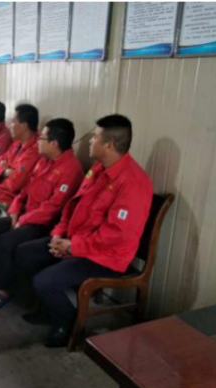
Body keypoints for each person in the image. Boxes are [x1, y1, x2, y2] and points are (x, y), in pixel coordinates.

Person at [16, 114, 153, 348]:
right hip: (79, 241)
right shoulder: (99, 168)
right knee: (24, 253)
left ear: (109, 145)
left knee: (44, 282)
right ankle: (51, 309)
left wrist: (73, 247)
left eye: (95, 138)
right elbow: (73, 206)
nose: (89, 141)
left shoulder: (133, 182)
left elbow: (117, 234)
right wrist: (59, 234)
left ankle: (69, 325)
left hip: (106, 256)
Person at [0, 119, 85, 310]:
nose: (37, 140)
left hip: (45, 224)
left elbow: (53, 208)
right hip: (27, 215)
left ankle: (3, 288)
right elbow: (24, 191)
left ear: (54, 143)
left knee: (6, 241)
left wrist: (22, 220)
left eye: (42, 138)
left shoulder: (71, 169)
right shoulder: (43, 161)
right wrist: (15, 211)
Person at [0, 104, 41, 207]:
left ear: (24, 126)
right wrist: (6, 171)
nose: (10, 126)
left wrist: (1, 172)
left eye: (13, 122)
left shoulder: (35, 150)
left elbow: (15, 184)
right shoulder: (17, 143)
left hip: (12, 203)